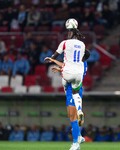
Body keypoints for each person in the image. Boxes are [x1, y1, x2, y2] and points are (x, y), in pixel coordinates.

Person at [45, 19, 87, 150]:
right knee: (71, 114)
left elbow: (63, 62)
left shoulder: (65, 44)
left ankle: (76, 143)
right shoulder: (81, 61)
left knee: (72, 115)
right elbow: (68, 65)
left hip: (70, 86)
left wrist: (53, 59)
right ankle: (79, 136)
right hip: (77, 83)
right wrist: (60, 68)